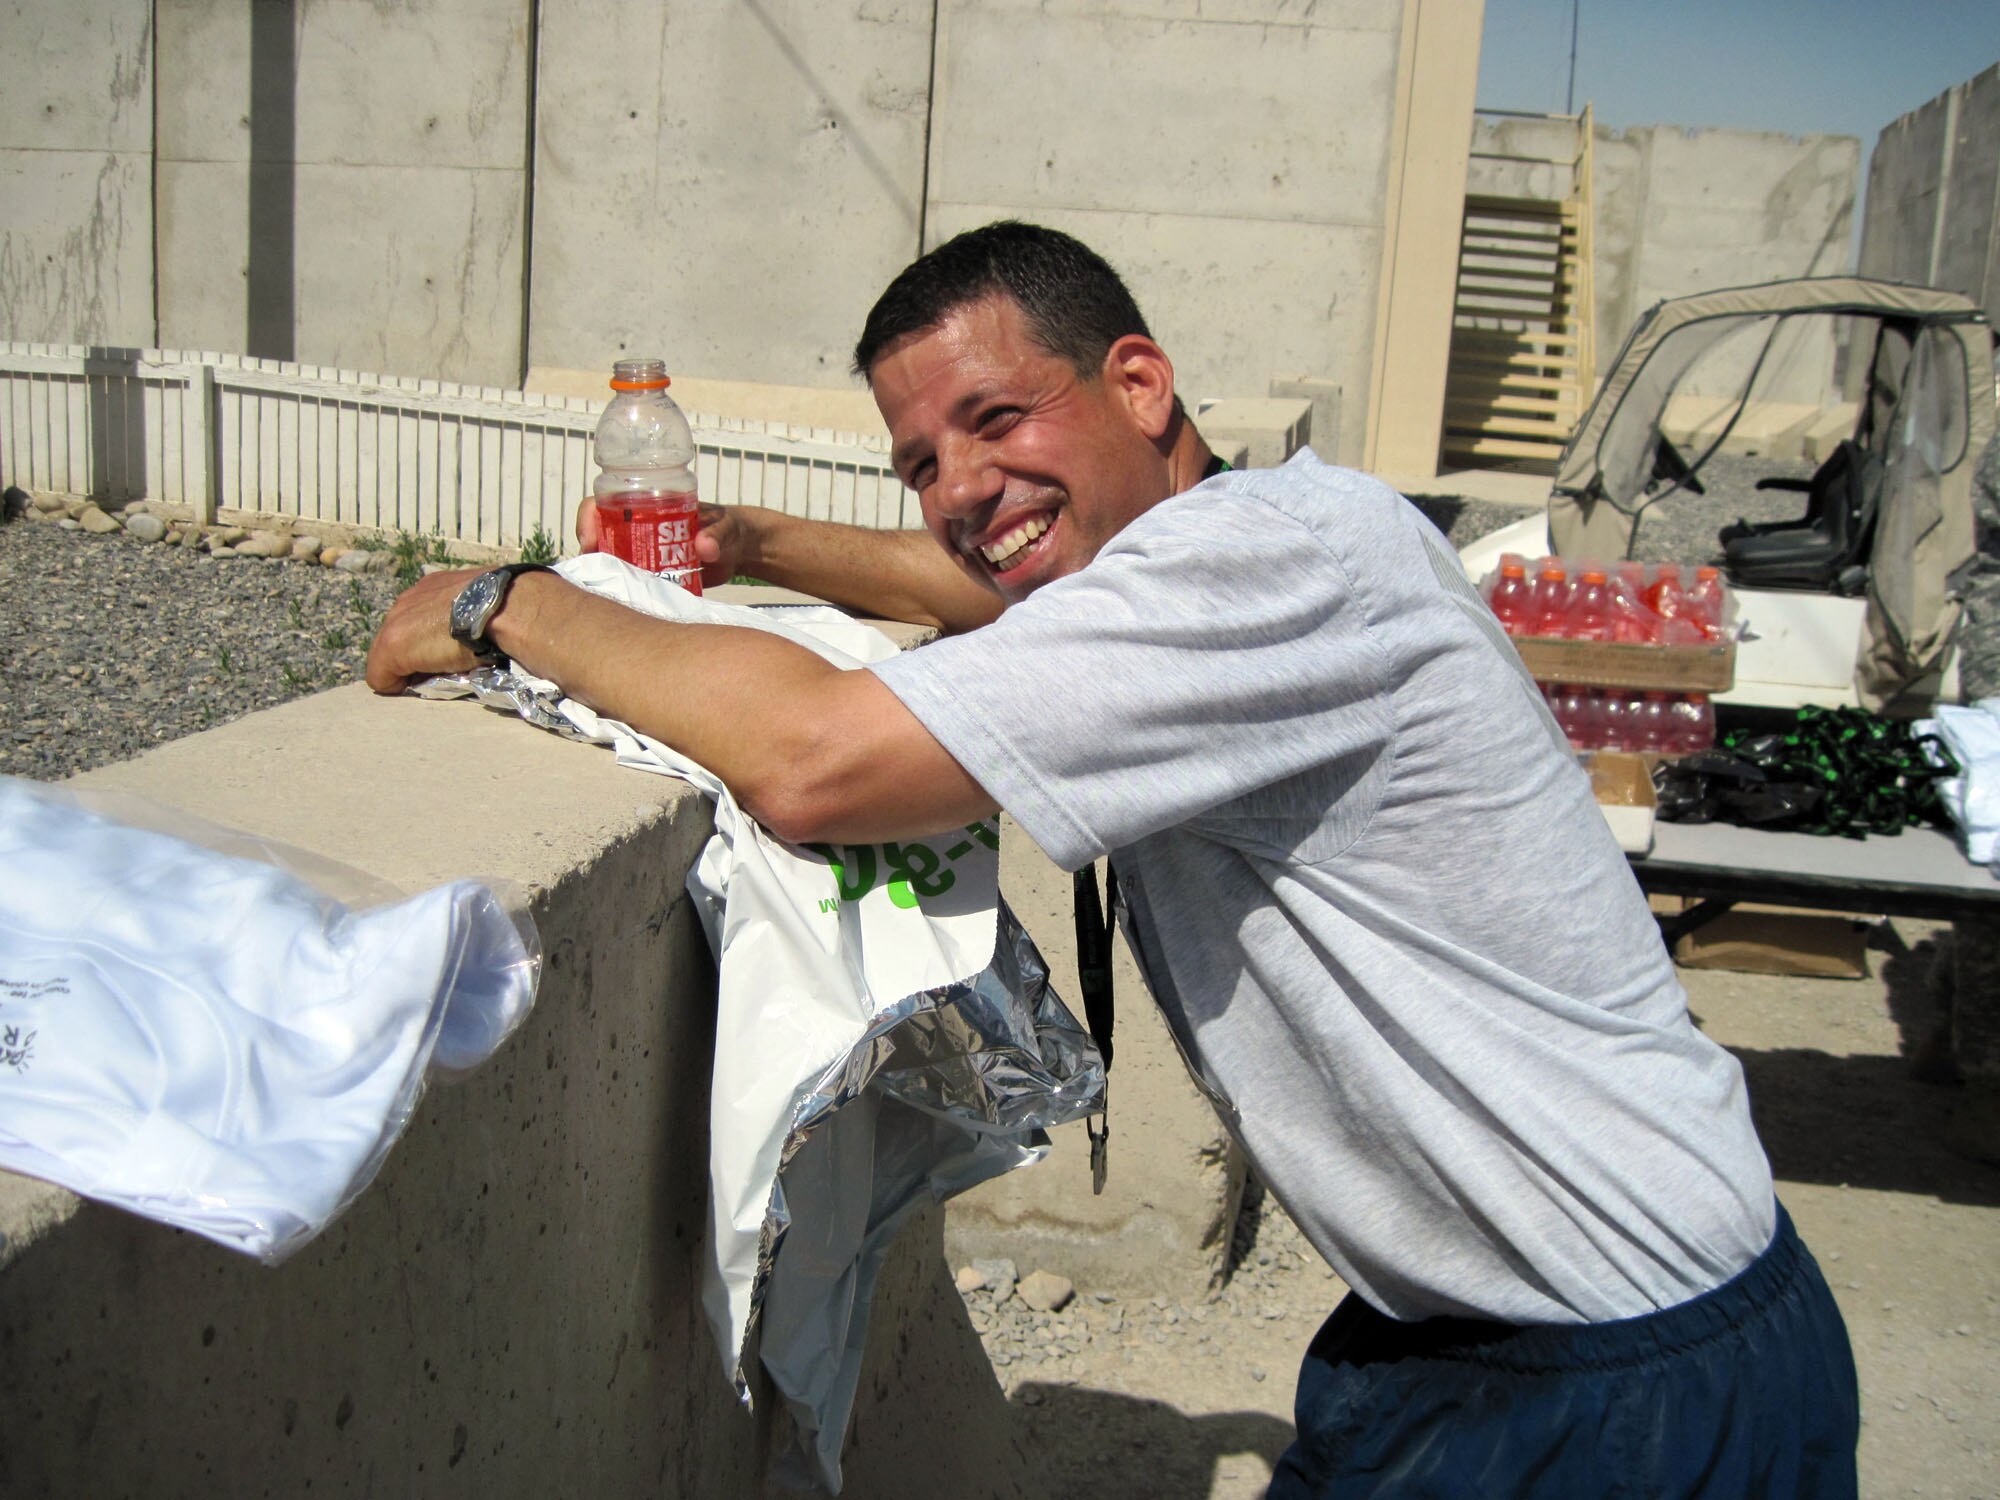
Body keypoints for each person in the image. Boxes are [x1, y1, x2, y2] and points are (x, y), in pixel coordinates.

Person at [367, 221, 1859, 1496]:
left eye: (998, 421)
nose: (957, 487)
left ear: (1137, 383)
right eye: (920, 462)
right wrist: (749, 539)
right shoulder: (1272, 528)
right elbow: (1008, 581)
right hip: (1487, 1333)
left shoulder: (1260, 570)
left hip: (1623, 1377)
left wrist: (509, 601)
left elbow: (816, 763)